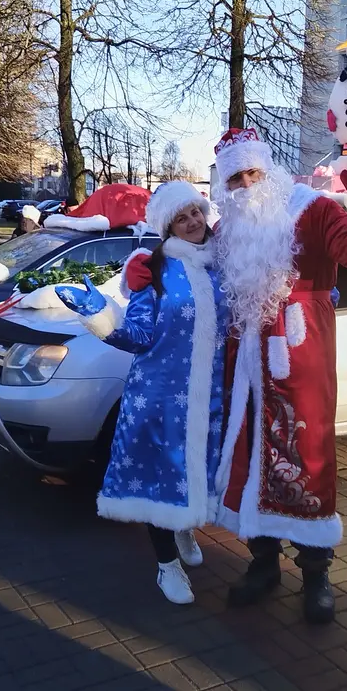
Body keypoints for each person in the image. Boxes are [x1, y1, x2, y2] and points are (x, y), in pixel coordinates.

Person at [127, 129, 347, 623]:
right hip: (245, 365)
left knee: (308, 457)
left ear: (269, 169)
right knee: (250, 457)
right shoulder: (228, 228)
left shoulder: (313, 208)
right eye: (234, 177)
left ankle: (317, 573)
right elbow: (184, 258)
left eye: (252, 172)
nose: (245, 184)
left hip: (301, 359)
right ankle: (263, 563)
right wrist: (144, 264)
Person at [56, 182, 229, 605]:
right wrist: (99, 314)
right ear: (166, 226)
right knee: (159, 480)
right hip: (160, 399)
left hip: (208, 397)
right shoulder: (151, 267)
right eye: (180, 218)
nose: (191, 223)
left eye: (195, 213)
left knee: (197, 473)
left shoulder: (220, 264)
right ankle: (166, 565)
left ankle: (184, 526)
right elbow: (137, 336)